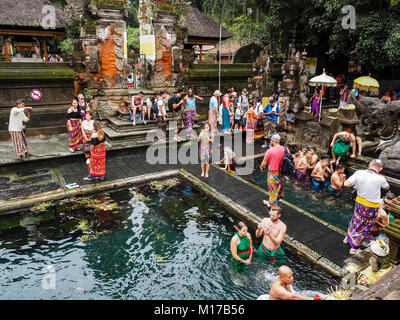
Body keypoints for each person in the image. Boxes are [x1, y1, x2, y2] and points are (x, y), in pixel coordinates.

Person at [343, 159, 390, 254]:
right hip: (371, 207)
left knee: (355, 220)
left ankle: (347, 239)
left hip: (359, 203)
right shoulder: (380, 178)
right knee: (365, 226)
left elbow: (346, 184)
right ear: (380, 169)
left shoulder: (359, 172)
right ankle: (355, 248)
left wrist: (358, 184)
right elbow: (387, 187)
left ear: (370, 165)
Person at [260, 134, 286, 207]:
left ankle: (274, 209)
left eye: (270, 140)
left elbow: (264, 163)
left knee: (272, 190)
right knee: (277, 189)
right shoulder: (285, 149)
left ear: (273, 141)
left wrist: (261, 167)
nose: (270, 141)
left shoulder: (270, 151)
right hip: (281, 173)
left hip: (272, 173)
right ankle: (269, 202)